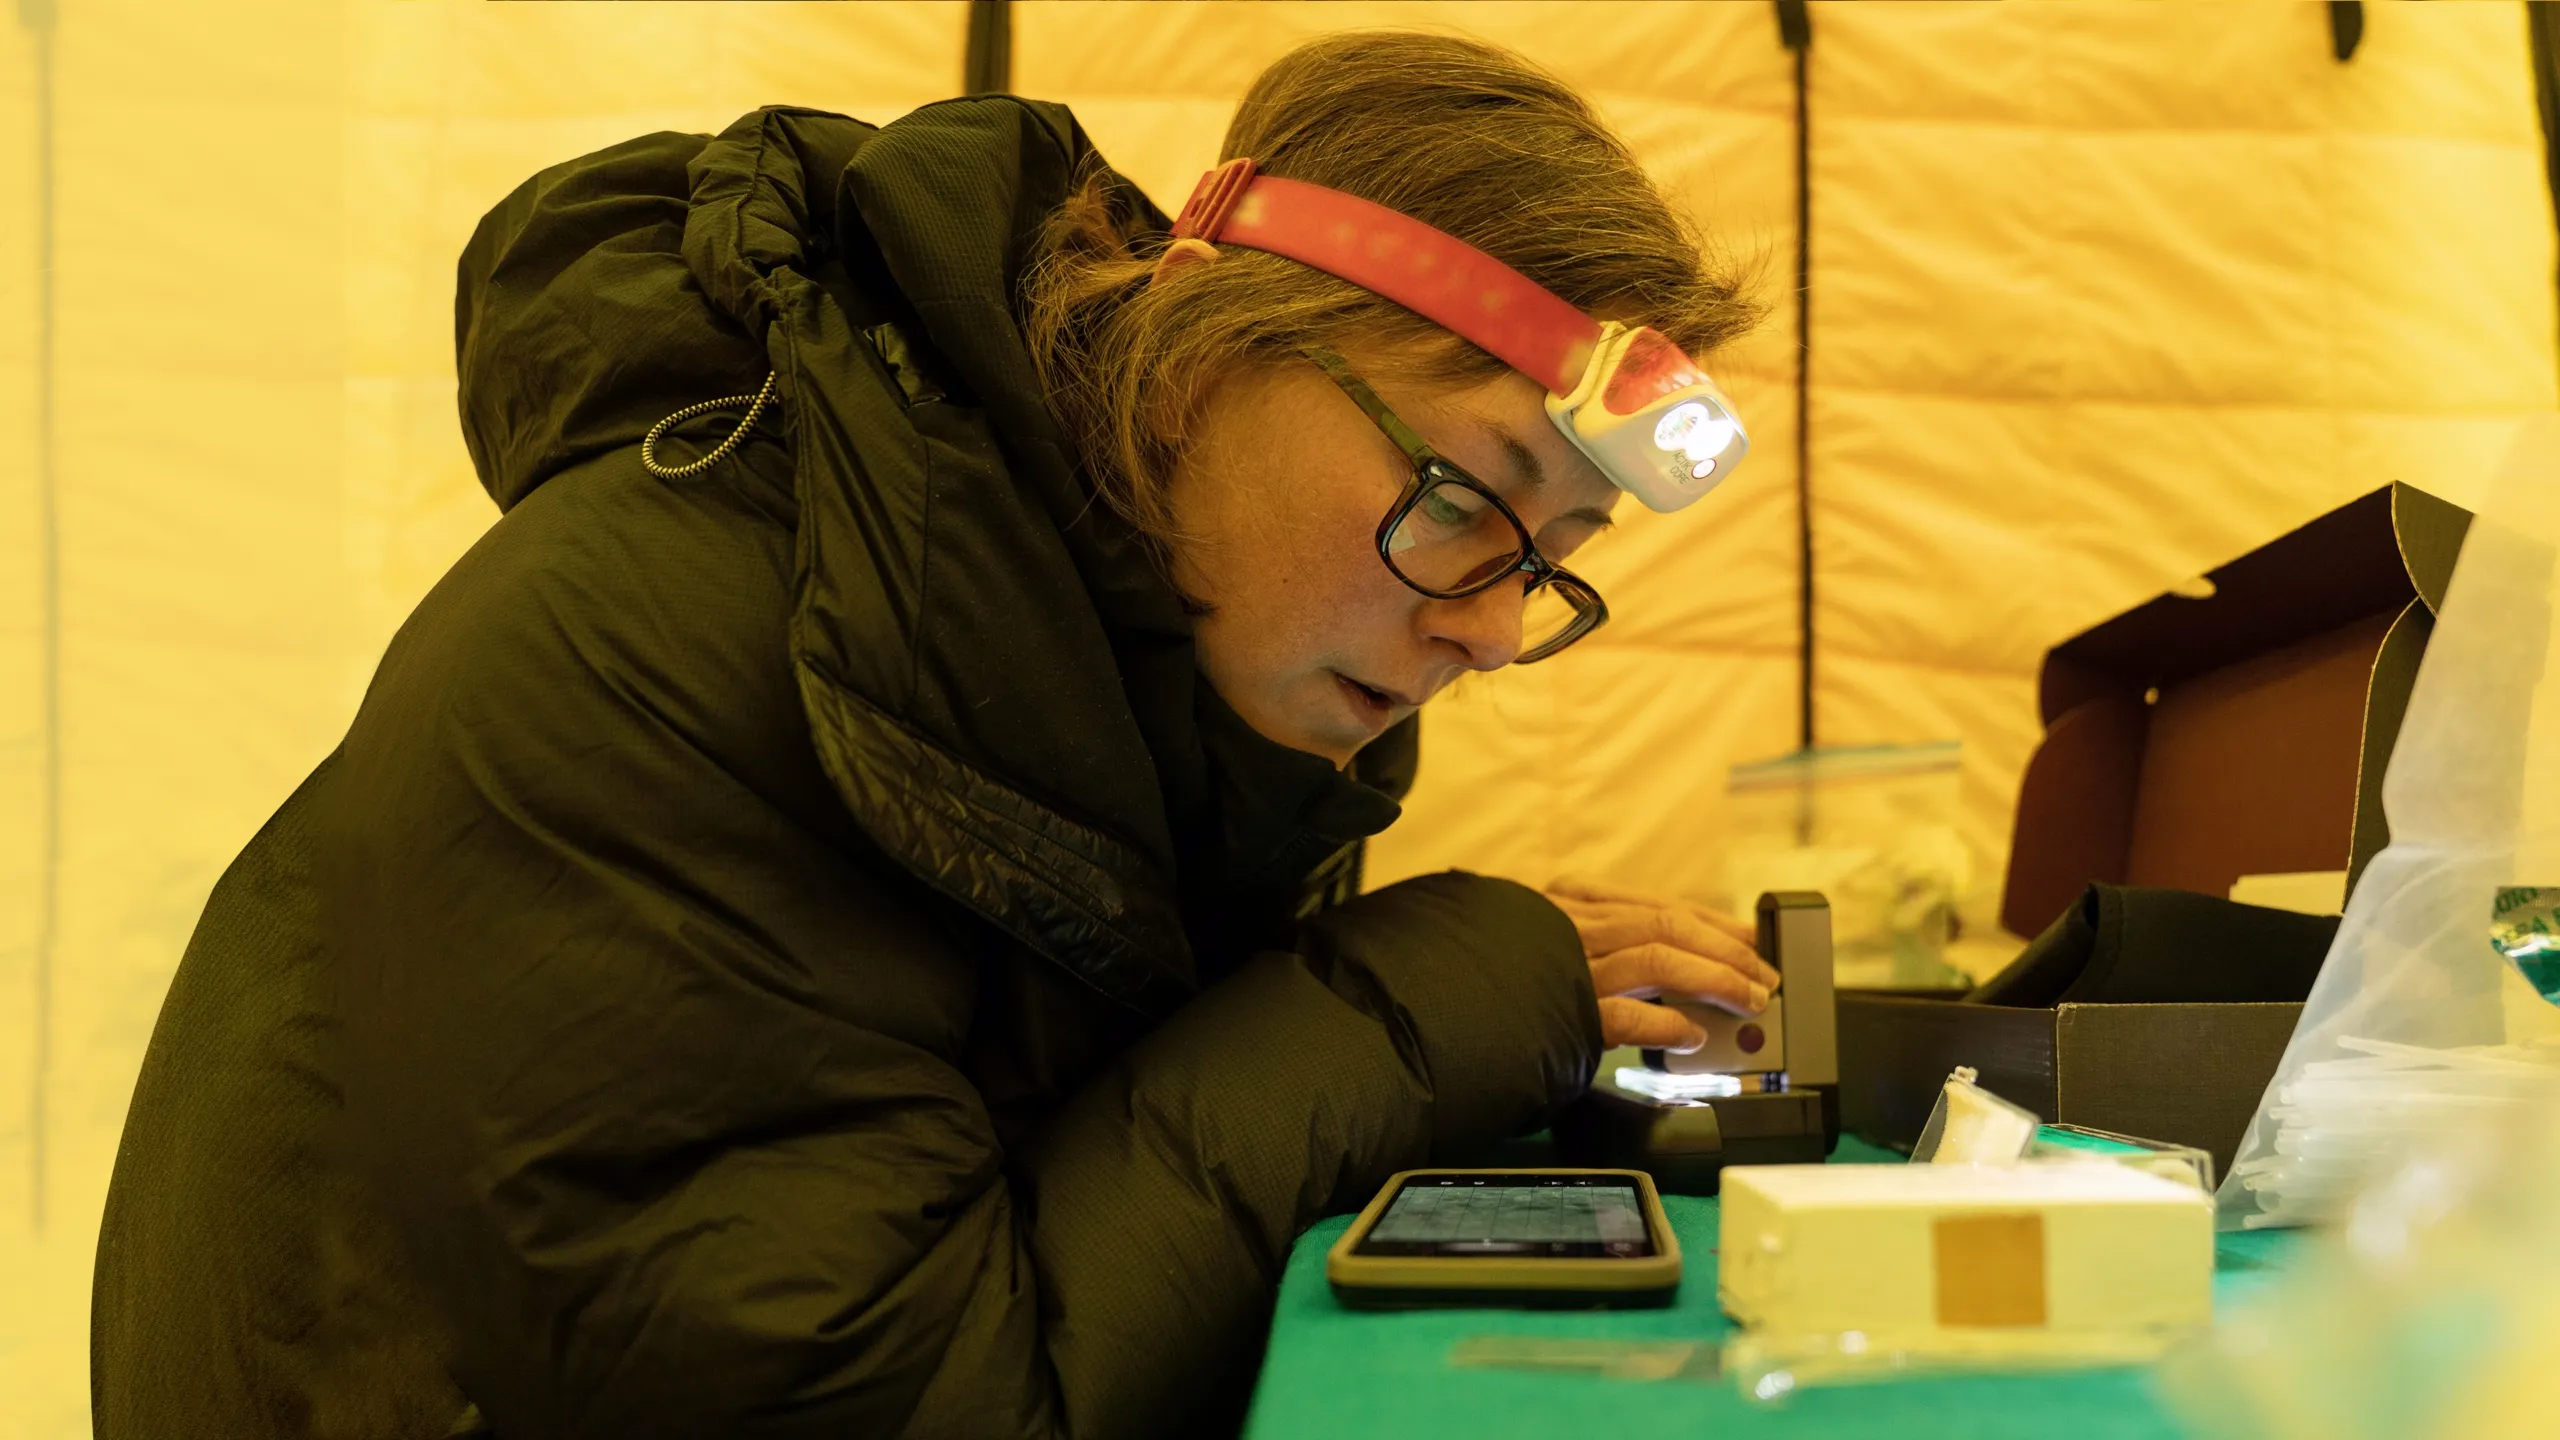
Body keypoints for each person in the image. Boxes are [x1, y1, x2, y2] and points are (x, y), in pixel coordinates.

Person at [93, 30, 1771, 1440]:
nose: (1491, 629)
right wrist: (1408, 1008)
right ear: (1203, 349)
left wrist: (1432, 1009)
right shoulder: (659, 654)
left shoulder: (1152, 684)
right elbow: (908, 1404)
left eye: (1551, 563)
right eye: (1465, 498)